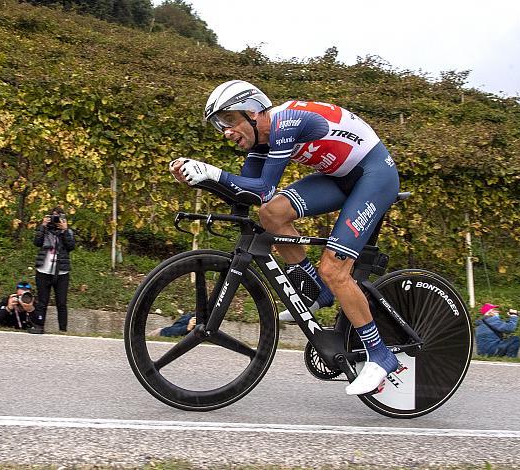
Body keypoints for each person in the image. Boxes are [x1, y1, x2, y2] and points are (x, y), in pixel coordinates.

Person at [169, 80, 400, 395]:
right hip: (340, 177)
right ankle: (318, 292)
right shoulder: (260, 142)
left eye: (229, 121)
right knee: (271, 214)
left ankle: (380, 355)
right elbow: (250, 195)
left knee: (334, 269)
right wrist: (200, 180)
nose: (225, 131)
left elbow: (262, 187)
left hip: (375, 175)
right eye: (220, 125)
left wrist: (212, 172)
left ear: (252, 112)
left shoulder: (285, 121)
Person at [32, 206, 75, 334]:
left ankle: (63, 330)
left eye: (59, 217)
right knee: (42, 301)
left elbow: (71, 246)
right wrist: (43, 226)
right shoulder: (45, 230)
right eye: (54, 217)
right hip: (44, 270)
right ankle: (39, 326)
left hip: (61, 272)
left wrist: (65, 230)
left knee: (61, 302)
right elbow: (37, 242)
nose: (56, 220)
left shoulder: (68, 232)